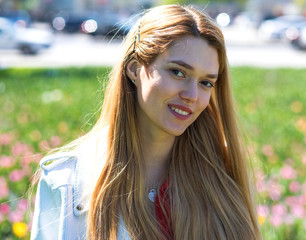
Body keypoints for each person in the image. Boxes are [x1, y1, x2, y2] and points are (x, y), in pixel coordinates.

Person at [31, 4, 261, 240]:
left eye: (206, 82)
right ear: (134, 69)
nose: (192, 95)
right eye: (178, 72)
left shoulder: (225, 175)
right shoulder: (66, 182)